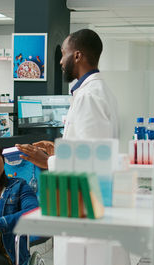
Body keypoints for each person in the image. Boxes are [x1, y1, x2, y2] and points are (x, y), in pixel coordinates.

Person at [17, 29, 119, 169]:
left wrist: (48, 161)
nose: (61, 61)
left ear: (77, 56)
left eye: (64, 54)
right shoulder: (96, 91)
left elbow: (91, 156)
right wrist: (60, 150)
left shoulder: (88, 96)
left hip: (87, 186)